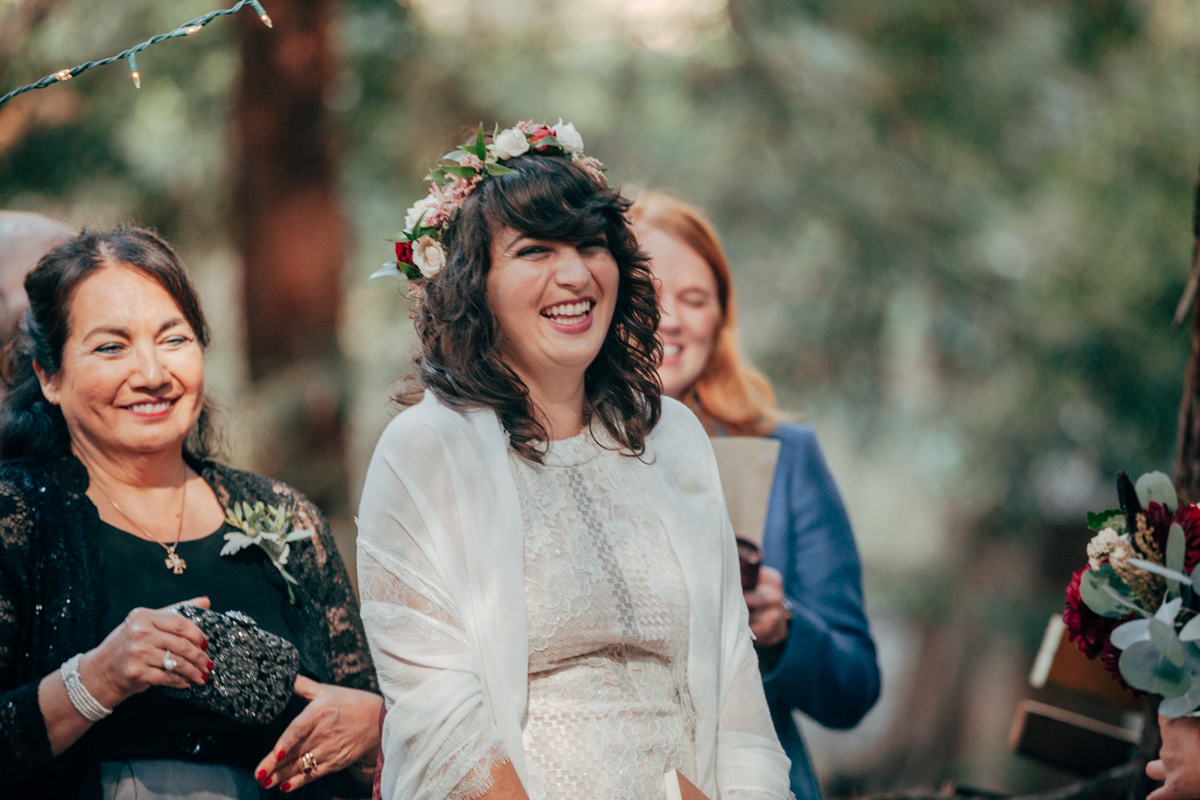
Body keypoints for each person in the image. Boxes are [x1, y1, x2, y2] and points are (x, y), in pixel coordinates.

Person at [357, 121, 793, 800]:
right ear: (473, 282)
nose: (575, 273)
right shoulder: (424, 451)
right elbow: (445, 731)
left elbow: (736, 688)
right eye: (534, 250)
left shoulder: (672, 435)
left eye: (592, 245)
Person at [0, 227, 382, 799]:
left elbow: (365, 708)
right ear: (49, 378)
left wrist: (372, 727)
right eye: (111, 347)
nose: (153, 374)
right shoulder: (16, 515)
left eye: (173, 339)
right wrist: (97, 678)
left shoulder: (285, 515)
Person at [630, 191, 881, 800]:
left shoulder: (785, 456)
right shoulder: (548, 448)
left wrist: (782, 633)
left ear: (720, 322)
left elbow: (856, 685)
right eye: (651, 295)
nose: (672, 320)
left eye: (695, 300)